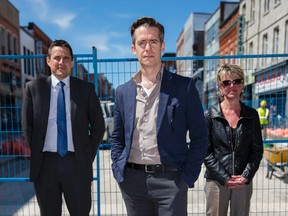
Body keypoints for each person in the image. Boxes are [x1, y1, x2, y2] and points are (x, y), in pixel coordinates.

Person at [110, 17, 208, 216]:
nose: (148, 48)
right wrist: (118, 170)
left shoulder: (184, 87)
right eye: (141, 43)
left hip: (171, 182)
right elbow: (117, 138)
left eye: (153, 42)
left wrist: (188, 176)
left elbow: (200, 136)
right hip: (132, 182)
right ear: (133, 49)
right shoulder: (123, 92)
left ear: (162, 46)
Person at [21, 39, 105, 216]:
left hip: (77, 165)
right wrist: (38, 150)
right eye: (57, 57)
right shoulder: (33, 88)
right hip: (45, 165)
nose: (61, 62)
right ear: (48, 60)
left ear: (72, 62)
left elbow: (98, 126)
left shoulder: (86, 90)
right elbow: (27, 126)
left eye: (66, 58)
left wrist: (86, 154)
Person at [203, 64, 263, 216]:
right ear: (220, 88)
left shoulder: (252, 115)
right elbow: (205, 151)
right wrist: (224, 177)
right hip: (216, 181)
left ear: (242, 85)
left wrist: (246, 176)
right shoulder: (209, 115)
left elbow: (257, 150)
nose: (232, 86)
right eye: (226, 82)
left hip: (242, 181)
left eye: (237, 81)